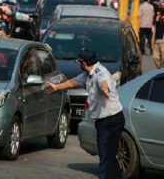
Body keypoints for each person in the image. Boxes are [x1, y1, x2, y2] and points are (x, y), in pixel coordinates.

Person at [44, 49, 125, 179]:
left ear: (83, 63)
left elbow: (103, 82)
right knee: (108, 156)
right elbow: (72, 82)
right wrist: (56, 87)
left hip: (112, 121)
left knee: (105, 157)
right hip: (104, 121)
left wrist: (105, 89)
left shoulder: (100, 73)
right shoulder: (87, 75)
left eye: (79, 63)